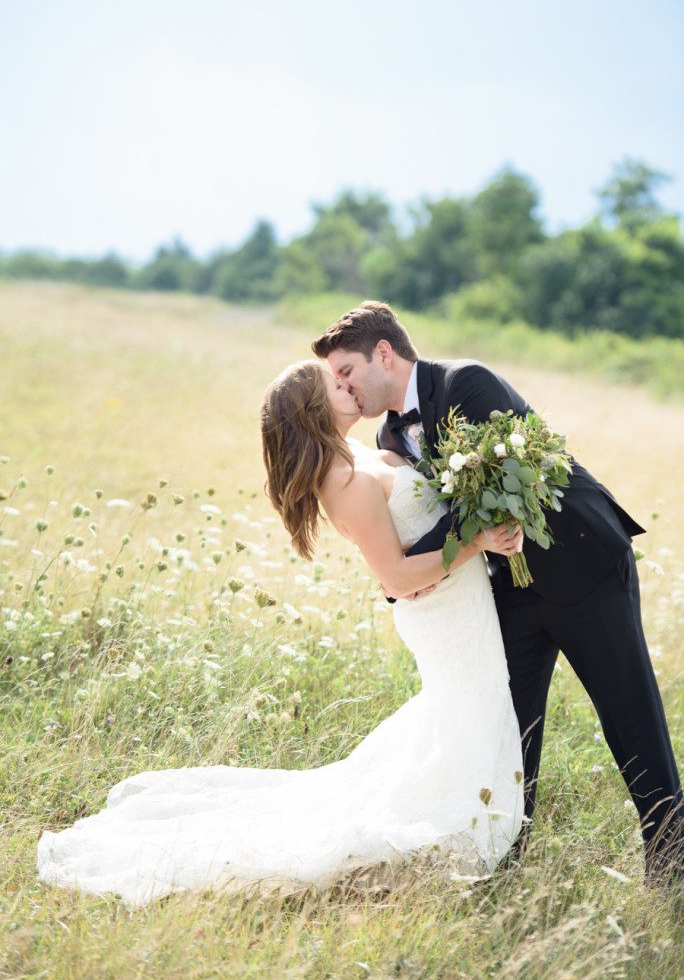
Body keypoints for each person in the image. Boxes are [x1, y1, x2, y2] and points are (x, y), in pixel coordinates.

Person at [36, 360, 527, 908]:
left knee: (468, 716)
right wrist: (478, 543)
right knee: (471, 714)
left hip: (459, 606)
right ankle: (460, 828)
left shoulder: (361, 452)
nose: (349, 385)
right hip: (441, 615)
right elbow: (396, 579)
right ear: (312, 411)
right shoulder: (343, 482)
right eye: (335, 385)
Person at [313, 299, 684, 888]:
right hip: (512, 593)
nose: (343, 386)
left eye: (347, 372)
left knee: (628, 716)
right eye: (336, 380)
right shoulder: (388, 434)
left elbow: (485, 499)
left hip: (583, 563)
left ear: (383, 354)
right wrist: (402, 572)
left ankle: (671, 862)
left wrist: (406, 572)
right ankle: (505, 865)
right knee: (510, 731)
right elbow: (426, 513)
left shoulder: (467, 382)